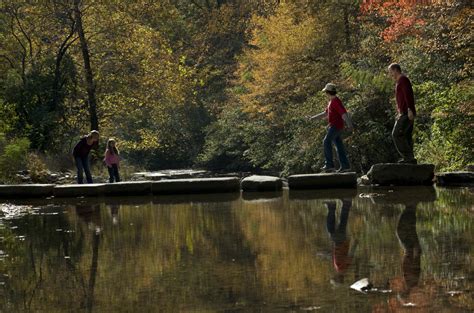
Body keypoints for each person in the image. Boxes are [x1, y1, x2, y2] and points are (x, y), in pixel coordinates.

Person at [308, 83, 354, 172]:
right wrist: (313, 118)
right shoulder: (331, 102)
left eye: (325, 92)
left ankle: (329, 165)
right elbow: (325, 113)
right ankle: (345, 166)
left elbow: (344, 114)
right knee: (339, 146)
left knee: (326, 141)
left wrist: (350, 125)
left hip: (336, 126)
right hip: (336, 126)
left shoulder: (336, 101)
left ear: (328, 92)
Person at [388, 63, 417, 164]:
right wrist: (399, 112)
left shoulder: (403, 80)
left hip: (407, 112)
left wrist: (409, 110)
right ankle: (410, 159)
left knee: (396, 134)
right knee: (406, 135)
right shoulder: (399, 81)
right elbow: (400, 100)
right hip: (404, 112)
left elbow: (408, 95)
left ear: (396, 70)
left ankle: (408, 157)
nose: (390, 74)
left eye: (391, 71)